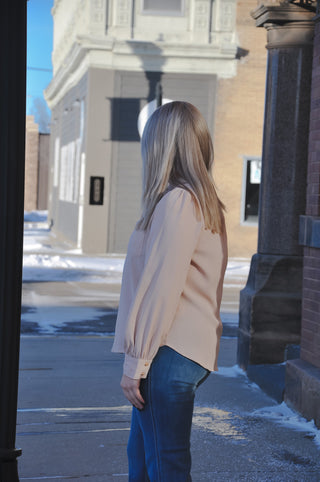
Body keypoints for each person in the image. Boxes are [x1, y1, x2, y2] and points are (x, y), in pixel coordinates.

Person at [112, 101, 227, 481]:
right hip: (178, 350)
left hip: (167, 351)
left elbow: (161, 289)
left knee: (164, 465)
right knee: (144, 460)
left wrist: (137, 363)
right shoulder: (199, 200)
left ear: (160, 146)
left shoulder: (179, 201)